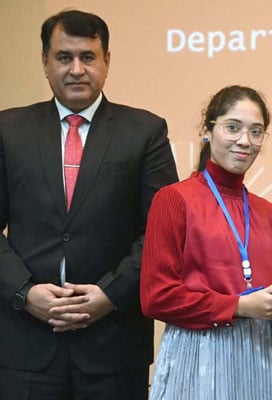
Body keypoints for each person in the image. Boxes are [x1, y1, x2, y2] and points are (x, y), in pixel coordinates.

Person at [0, 9, 179, 400]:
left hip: (113, 345)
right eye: (64, 57)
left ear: (107, 61)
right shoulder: (7, 130)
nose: (77, 69)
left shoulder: (146, 132)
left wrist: (109, 295)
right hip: (24, 346)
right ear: (45, 63)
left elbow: (162, 231)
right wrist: (25, 292)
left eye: (88, 57)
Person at [140, 85, 272, 400]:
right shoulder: (174, 199)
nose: (245, 141)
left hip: (259, 356)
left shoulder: (268, 213)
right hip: (198, 354)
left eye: (256, 132)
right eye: (233, 128)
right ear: (208, 131)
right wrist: (240, 306)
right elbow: (156, 297)